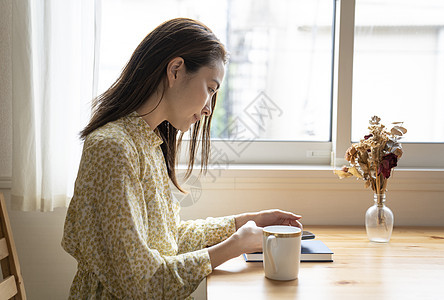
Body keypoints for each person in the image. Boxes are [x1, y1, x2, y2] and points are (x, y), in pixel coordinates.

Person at [62, 18, 302, 299]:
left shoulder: (148, 143)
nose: (209, 108)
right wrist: (234, 246)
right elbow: (141, 283)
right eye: (210, 88)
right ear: (176, 70)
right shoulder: (113, 148)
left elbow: (166, 240)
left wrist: (243, 222)